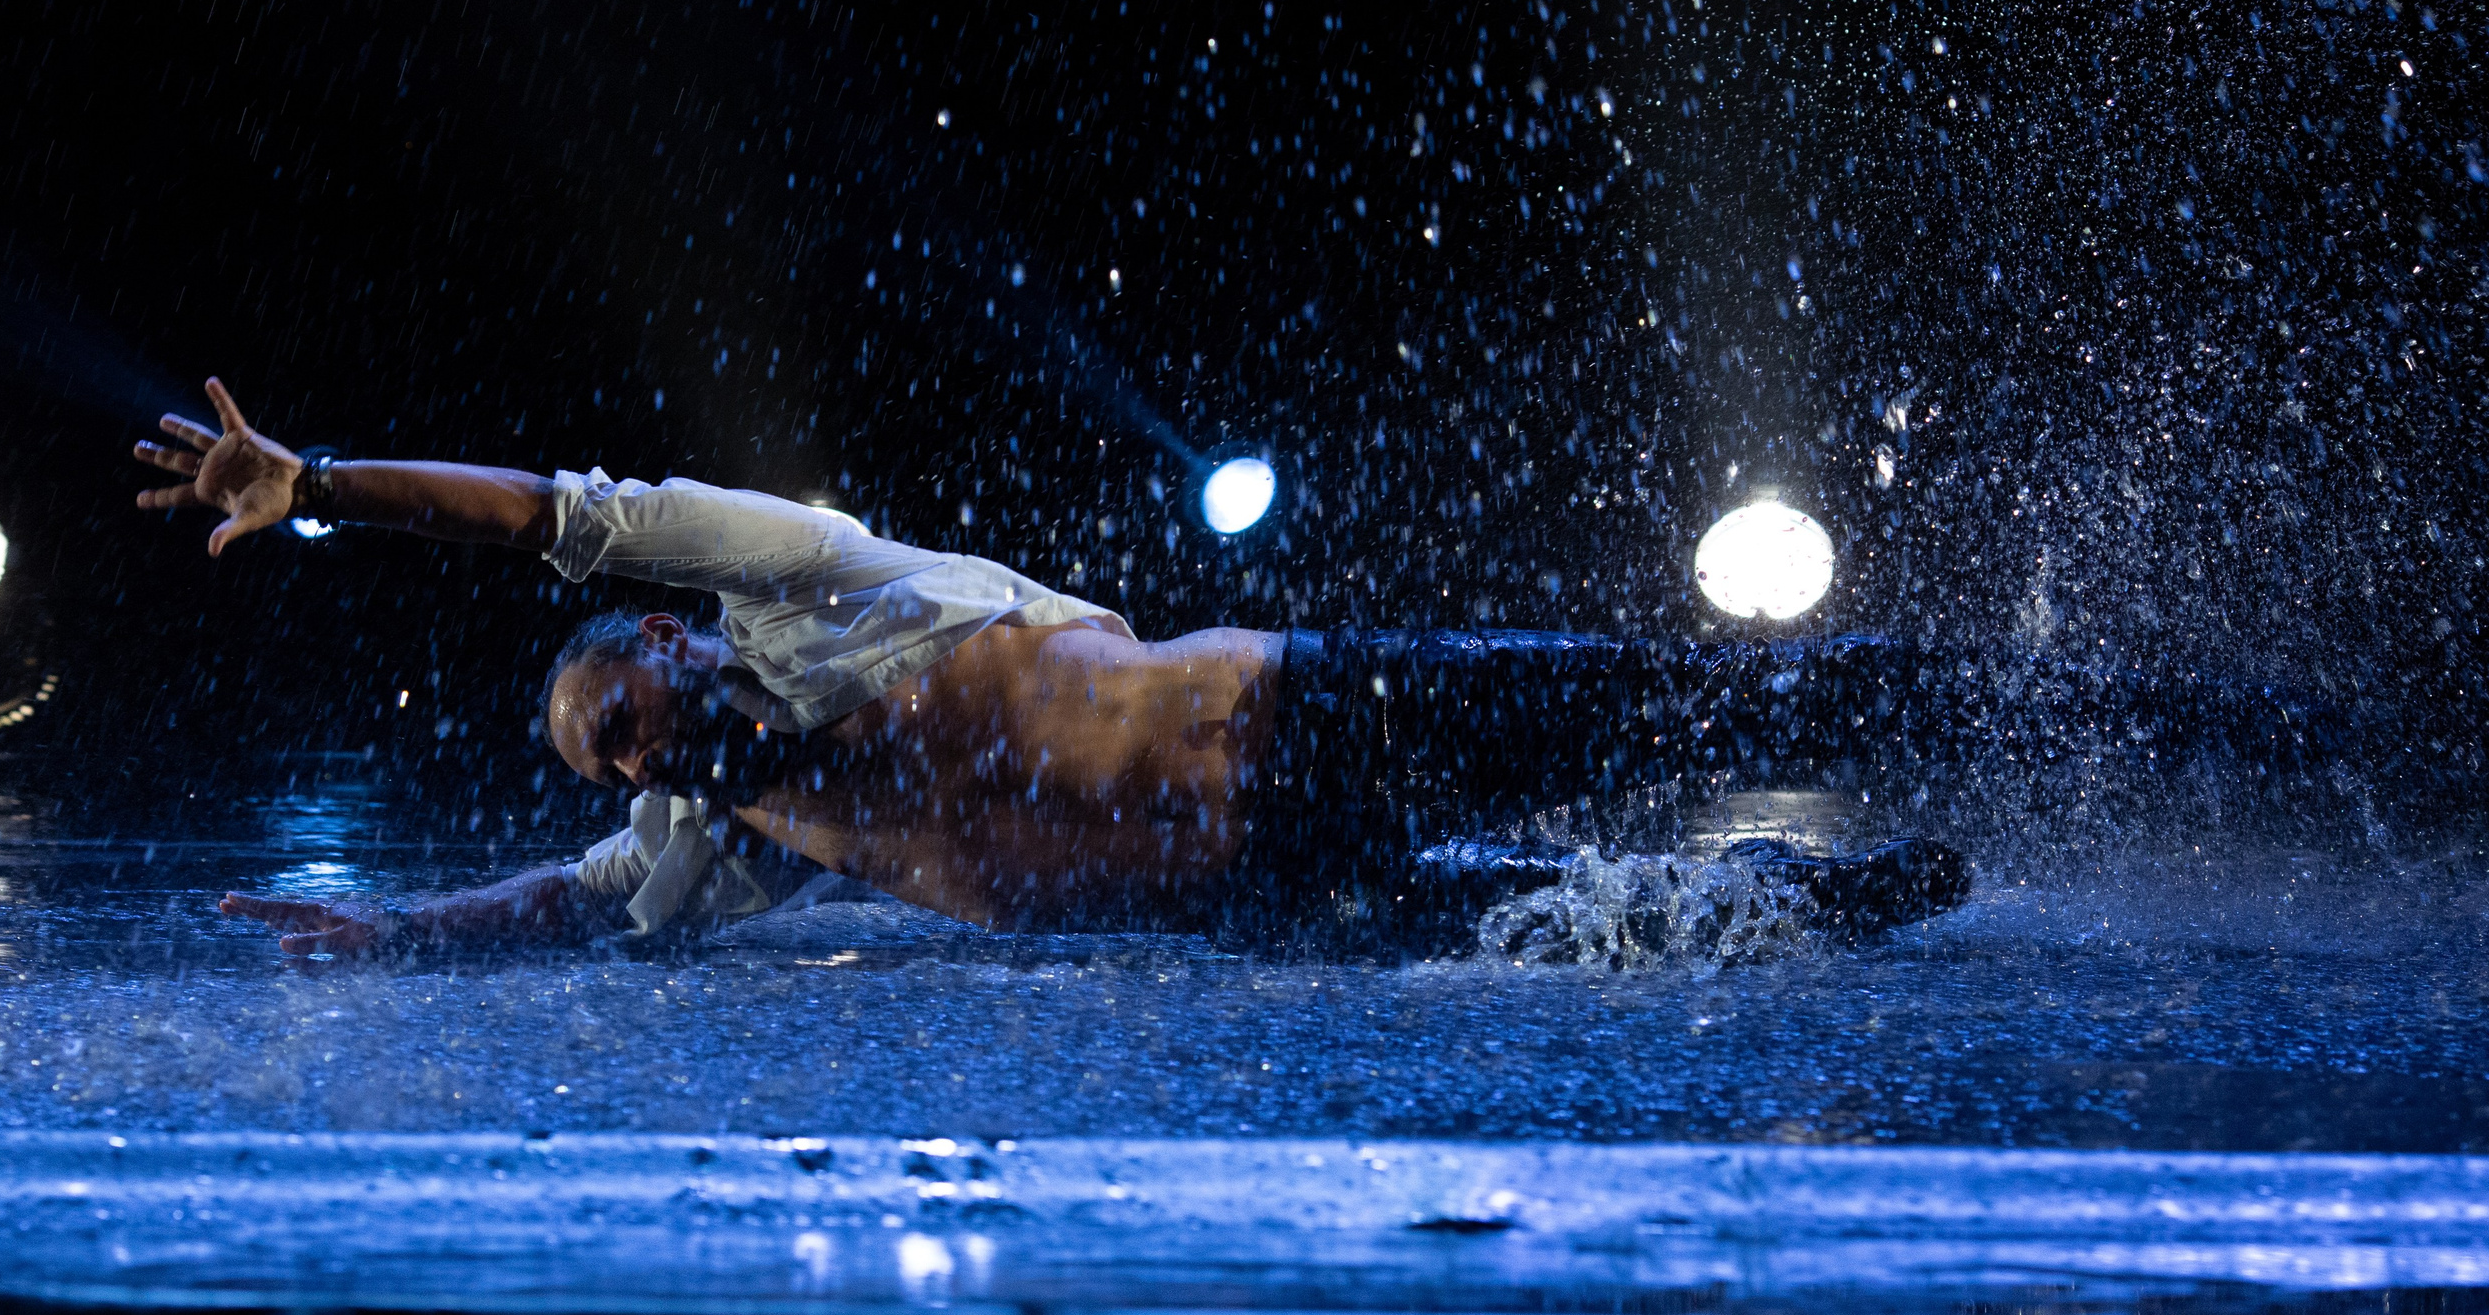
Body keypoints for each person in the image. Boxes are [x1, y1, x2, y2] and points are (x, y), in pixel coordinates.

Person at [136, 379, 1972, 961]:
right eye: (604, 765)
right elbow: (574, 896)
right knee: (1624, 927)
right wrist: (395, 930)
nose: (627, 767)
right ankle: (1866, 891)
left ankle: (2001, 707)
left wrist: (326, 491)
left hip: (1307, 711)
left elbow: (560, 517)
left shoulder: (804, 594)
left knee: (1688, 708)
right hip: (1283, 894)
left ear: (669, 647)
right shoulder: (740, 830)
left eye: (620, 724)